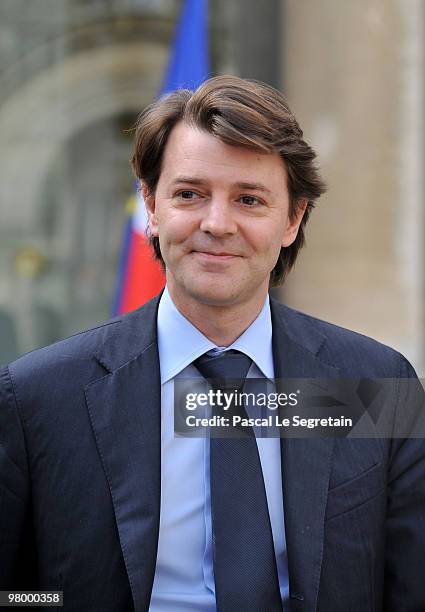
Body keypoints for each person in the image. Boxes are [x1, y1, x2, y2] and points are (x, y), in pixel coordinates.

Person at [0, 75, 424, 612]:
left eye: (249, 199)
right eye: (189, 194)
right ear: (151, 206)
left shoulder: (373, 385)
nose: (217, 224)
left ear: (292, 219)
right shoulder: (39, 397)